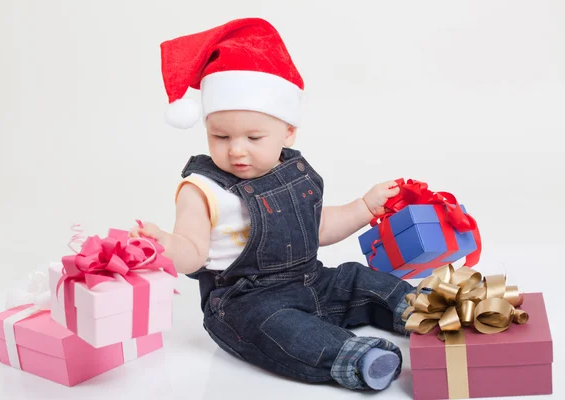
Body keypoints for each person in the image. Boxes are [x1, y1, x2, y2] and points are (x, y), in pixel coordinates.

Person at [130, 17, 416, 391]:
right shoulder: (202, 190)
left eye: (253, 136)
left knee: (357, 279)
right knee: (283, 331)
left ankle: (420, 308)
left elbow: (316, 229)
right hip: (245, 302)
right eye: (220, 136)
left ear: (288, 131)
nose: (236, 149)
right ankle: (354, 357)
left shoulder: (293, 173)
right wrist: (165, 246)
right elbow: (193, 253)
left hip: (311, 280)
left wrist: (364, 207)